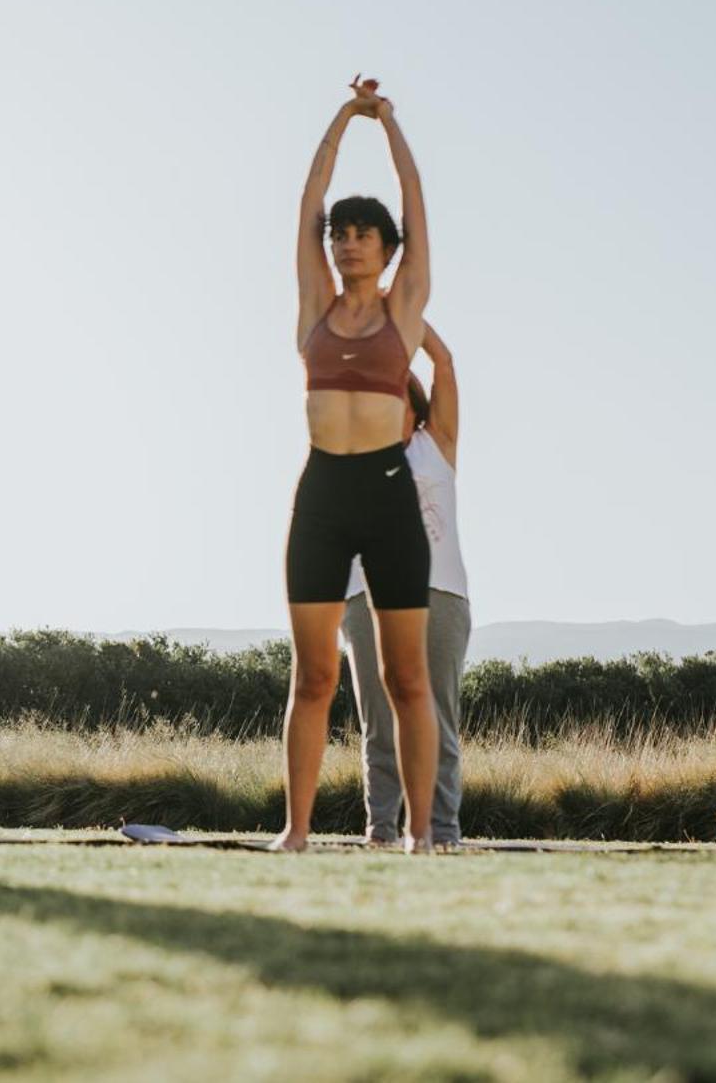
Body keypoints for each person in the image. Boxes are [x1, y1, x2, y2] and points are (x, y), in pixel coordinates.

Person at [279, 76, 437, 853]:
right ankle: (297, 832)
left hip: (385, 492)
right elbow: (308, 196)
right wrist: (342, 117)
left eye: (360, 234)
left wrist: (389, 123)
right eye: (338, 233)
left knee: (407, 679)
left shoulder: (403, 309)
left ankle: (419, 834)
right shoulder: (315, 304)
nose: (345, 243)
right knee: (314, 677)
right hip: (322, 494)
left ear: (385, 248)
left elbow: (414, 201)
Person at [341, 324, 468, 848]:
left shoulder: (434, 446)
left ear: (415, 409)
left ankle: (442, 832)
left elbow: (444, 363)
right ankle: (381, 831)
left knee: (437, 716)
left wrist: (408, 318)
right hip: (364, 597)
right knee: (380, 721)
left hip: (438, 592)